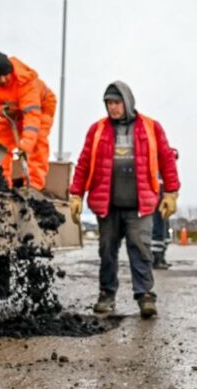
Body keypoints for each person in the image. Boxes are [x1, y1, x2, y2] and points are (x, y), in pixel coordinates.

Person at [68, 82, 179, 318]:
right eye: (109, 103)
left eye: (117, 102)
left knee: (141, 249)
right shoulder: (97, 130)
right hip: (107, 205)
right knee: (107, 251)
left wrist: (171, 192)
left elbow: (167, 159)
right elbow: (84, 163)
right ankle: (106, 295)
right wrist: (76, 194)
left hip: (140, 206)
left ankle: (145, 295)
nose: (113, 107)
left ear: (127, 102)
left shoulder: (151, 127)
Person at [0, 52, 56, 190]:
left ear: (11, 71)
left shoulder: (26, 83)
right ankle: (1, 182)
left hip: (41, 109)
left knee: (36, 143)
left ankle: (33, 185)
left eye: (5, 75)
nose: (2, 80)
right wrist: (1, 110)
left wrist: (25, 144)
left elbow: (32, 118)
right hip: (13, 111)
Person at [152, 148, 180, 270]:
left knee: (164, 232)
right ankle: (156, 259)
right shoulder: (158, 168)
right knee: (158, 231)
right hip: (158, 202)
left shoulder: (165, 171)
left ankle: (161, 257)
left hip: (162, 202)